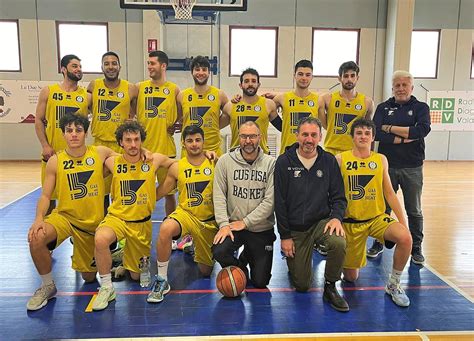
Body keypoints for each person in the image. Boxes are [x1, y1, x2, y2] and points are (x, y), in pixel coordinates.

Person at [27, 113, 116, 311]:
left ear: (86, 133)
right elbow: (45, 196)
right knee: (36, 237)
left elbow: (127, 158)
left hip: (91, 226)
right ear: (63, 134)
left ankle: (111, 253)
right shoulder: (55, 161)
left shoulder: (100, 153)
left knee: (89, 278)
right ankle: (47, 285)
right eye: (69, 130)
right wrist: (39, 218)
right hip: (64, 218)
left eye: (78, 130)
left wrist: (144, 151)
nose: (74, 134)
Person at [92, 121, 176, 311]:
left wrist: (159, 192)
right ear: (120, 142)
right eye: (128, 140)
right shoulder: (113, 161)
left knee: (137, 276)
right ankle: (106, 288)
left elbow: (177, 166)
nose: (133, 144)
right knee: (100, 239)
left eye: (137, 140)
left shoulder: (153, 160)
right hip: (118, 219)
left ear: (142, 141)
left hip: (141, 223)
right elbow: (100, 150)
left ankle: (124, 255)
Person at [274, 117, 349, 312]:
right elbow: (279, 203)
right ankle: (296, 260)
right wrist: (285, 237)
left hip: (320, 223)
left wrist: (336, 217)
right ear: (297, 136)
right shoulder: (284, 162)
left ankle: (331, 286)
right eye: (305, 134)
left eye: (313, 135)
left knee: (338, 241)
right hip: (296, 228)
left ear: (320, 137)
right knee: (302, 285)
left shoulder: (329, 161)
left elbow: (339, 198)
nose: (309, 139)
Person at [337, 118, 413, 307]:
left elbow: (390, 193)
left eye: (367, 133)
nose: (363, 136)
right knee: (351, 277)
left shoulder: (381, 160)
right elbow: (333, 193)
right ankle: (343, 259)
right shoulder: (340, 159)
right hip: (351, 223)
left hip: (377, 218)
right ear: (352, 136)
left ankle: (394, 285)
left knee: (405, 238)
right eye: (359, 133)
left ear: (373, 137)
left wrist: (404, 223)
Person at [147, 125, 218, 304]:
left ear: (203, 142)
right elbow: (161, 191)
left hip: (209, 221)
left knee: (205, 271)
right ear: (183, 144)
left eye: (197, 140)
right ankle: (162, 279)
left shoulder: (215, 162)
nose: (194, 144)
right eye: (189, 140)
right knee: (165, 228)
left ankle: (196, 247)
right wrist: (140, 201)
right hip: (186, 215)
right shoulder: (177, 167)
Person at [368, 70, 431, 265]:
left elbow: (421, 130)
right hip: (387, 166)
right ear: (392, 87)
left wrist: (390, 127)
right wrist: (404, 136)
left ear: (411, 88)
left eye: (405, 85)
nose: (401, 88)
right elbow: (376, 133)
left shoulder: (421, 107)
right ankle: (379, 241)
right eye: (397, 85)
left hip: (412, 167)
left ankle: (416, 246)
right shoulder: (383, 107)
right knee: (383, 208)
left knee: (414, 210)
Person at [212, 121, 276, 288]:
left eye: (253, 136)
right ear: (238, 138)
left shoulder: (271, 164)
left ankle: (247, 255)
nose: (248, 141)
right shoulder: (225, 162)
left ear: (260, 138)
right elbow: (218, 196)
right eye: (244, 136)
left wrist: (246, 222)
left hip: (260, 228)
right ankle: (240, 268)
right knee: (219, 250)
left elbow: (270, 201)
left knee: (261, 282)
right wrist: (224, 225)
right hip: (233, 225)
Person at [35, 54, 89, 214]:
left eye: (80, 66)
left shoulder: (86, 96)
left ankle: (77, 234)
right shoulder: (48, 92)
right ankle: (46, 232)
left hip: (76, 156)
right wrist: (45, 145)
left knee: (77, 197)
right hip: (52, 153)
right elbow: (38, 120)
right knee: (49, 197)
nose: (78, 69)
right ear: (63, 69)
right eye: (74, 66)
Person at [88, 51, 138, 212]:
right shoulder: (94, 86)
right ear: (102, 67)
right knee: (100, 192)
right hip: (99, 145)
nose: (111, 67)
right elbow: (83, 108)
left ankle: (120, 226)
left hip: (121, 146)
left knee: (121, 189)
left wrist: (132, 119)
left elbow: (136, 111)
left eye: (114, 63)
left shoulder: (130, 88)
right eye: (107, 63)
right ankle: (102, 227)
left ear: (119, 66)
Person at [136, 50, 181, 216]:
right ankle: (134, 227)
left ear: (163, 66)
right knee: (138, 193)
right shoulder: (139, 88)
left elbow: (185, 110)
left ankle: (172, 230)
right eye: (148, 63)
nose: (149, 67)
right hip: (142, 151)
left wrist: (180, 123)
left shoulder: (174, 90)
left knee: (170, 193)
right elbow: (127, 107)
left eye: (152, 63)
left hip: (165, 149)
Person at [319, 61, 374, 156]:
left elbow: (367, 129)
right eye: (346, 76)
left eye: (352, 76)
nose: (349, 79)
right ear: (339, 78)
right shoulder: (327, 99)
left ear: (357, 78)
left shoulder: (367, 102)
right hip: (331, 150)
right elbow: (326, 125)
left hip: (354, 151)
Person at [178, 55, 229, 156]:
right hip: (189, 151)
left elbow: (229, 115)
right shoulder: (182, 95)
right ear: (192, 72)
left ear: (209, 72)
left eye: (204, 69)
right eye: (197, 69)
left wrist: (215, 125)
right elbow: (179, 117)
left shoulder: (219, 94)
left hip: (213, 149)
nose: (201, 73)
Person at [221, 68, 279, 154]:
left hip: (261, 156)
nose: (250, 84)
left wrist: (278, 96)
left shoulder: (269, 104)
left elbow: (282, 127)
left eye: (253, 81)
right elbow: (215, 126)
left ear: (258, 84)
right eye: (247, 81)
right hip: (236, 157)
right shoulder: (230, 106)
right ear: (241, 85)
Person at [269, 59, 321, 154]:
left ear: (312, 77)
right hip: (288, 151)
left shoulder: (318, 99)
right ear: (294, 76)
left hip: (309, 152)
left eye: (308, 75)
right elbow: (267, 109)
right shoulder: (282, 98)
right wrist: (282, 126)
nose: (304, 78)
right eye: (300, 74)